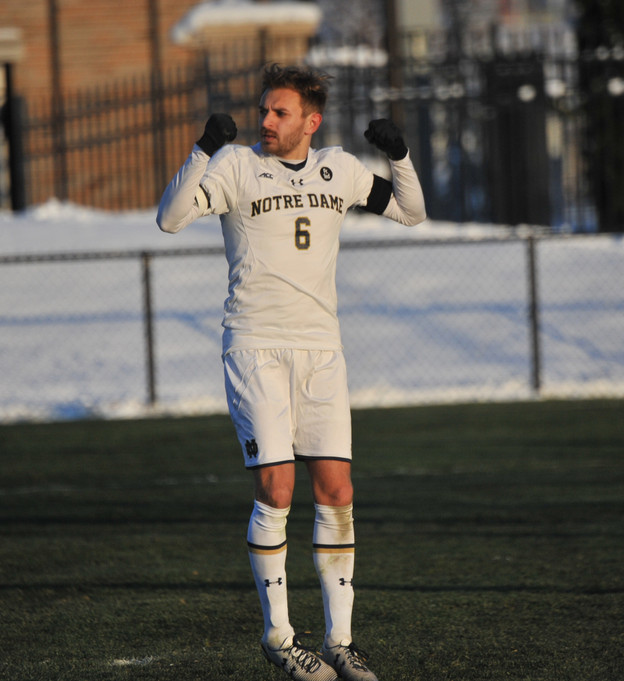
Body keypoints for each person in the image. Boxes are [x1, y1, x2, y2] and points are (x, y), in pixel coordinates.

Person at [157, 63, 426, 681]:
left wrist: (400, 155)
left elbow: (411, 211)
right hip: (255, 347)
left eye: (279, 112)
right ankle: (280, 636)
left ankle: (340, 642)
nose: (266, 120)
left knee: (337, 492)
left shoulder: (340, 169)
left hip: (322, 351)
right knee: (277, 488)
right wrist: (202, 149)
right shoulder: (233, 167)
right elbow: (170, 217)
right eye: (263, 110)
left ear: (312, 120)